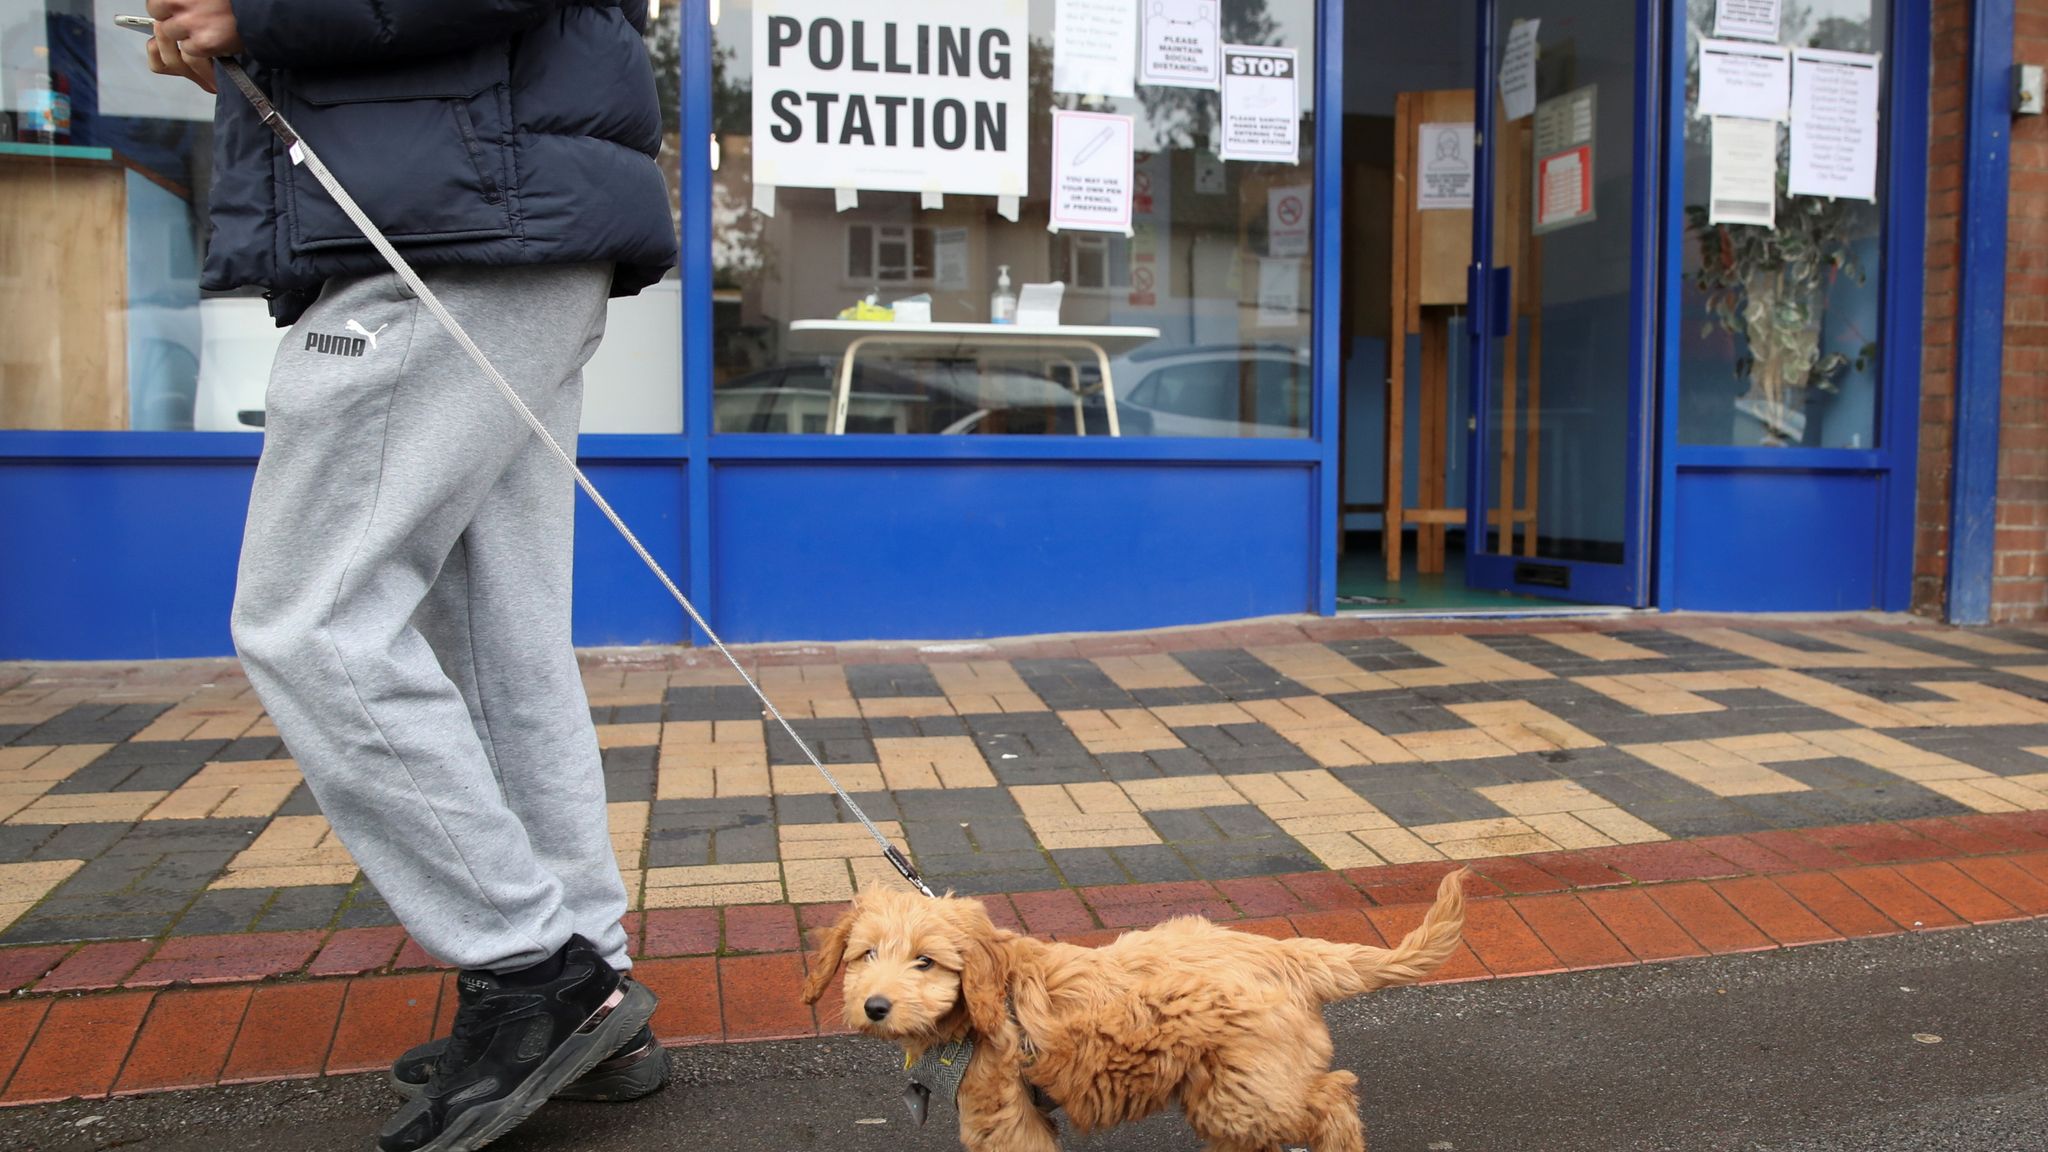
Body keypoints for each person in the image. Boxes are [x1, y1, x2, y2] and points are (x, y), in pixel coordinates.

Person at [143, 1, 678, 1149]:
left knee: (310, 619)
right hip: (489, 217)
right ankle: (589, 989)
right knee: (497, 644)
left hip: (459, 225)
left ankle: (533, 972)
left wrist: (260, 14)